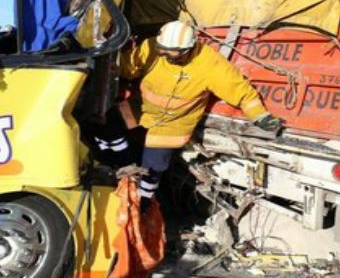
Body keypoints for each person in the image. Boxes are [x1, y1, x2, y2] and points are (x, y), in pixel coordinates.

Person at [119, 21, 283, 205]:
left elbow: (238, 89)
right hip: (141, 110)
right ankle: (118, 170)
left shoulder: (208, 63)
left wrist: (259, 115)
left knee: (152, 167)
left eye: (171, 52)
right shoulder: (152, 48)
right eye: (162, 49)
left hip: (172, 125)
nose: (163, 54)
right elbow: (127, 66)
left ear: (187, 50)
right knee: (109, 128)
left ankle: (143, 203)